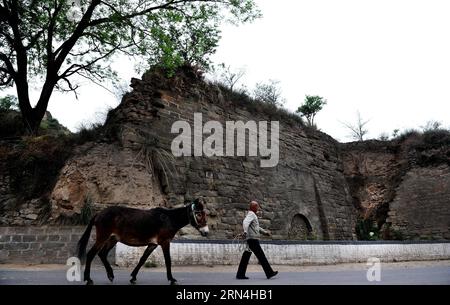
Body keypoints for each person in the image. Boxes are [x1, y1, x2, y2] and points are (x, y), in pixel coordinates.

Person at [236, 200, 278, 280]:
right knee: (261, 256)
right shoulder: (251, 214)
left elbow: (256, 227)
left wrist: (265, 232)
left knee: (245, 257)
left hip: (250, 239)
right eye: (257, 206)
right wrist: (245, 232)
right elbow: (245, 222)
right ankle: (269, 273)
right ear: (254, 207)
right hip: (253, 240)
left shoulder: (252, 215)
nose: (258, 208)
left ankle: (240, 274)